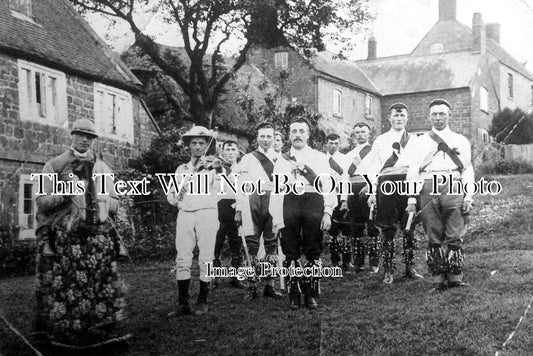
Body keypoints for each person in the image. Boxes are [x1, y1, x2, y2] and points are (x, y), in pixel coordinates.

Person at [34, 118, 129, 349]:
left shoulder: (103, 167)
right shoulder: (55, 165)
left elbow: (115, 201)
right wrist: (67, 193)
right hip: (68, 236)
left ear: (95, 140)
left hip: (98, 236)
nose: (85, 140)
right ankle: (70, 332)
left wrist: (106, 200)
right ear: (72, 135)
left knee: (101, 281)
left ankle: (103, 331)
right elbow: (41, 201)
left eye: (90, 136)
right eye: (81, 135)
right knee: (71, 284)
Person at [406, 99, 474, 291]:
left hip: (453, 186)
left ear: (449, 115)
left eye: (442, 113)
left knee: (454, 233)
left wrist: (468, 197)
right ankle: (437, 280)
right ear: (429, 116)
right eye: (434, 114)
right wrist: (412, 198)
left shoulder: (460, 140)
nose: (437, 117)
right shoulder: (419, 141)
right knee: (433, 234)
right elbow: (413, 171)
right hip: (427, 186)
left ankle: (455, 278)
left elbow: (467, 170)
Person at [270, 117, 336, 309]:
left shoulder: (320, 157)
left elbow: (328, 187)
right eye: (294, 131)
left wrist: (328, 212)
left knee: (313, 250)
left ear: (308, 134)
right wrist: (276, 218)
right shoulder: (281, 160)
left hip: (312, 200)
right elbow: (276, 190)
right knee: (290, 250)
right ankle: (294, 293)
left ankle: (310, 293)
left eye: (301, 131)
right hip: (289, 201)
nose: (298, 135)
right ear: (289, 135)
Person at [361, 103, 424, 284]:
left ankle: (409, 268)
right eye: (395, 116)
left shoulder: (415, 140)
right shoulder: (380, 140)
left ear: (407, 118)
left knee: (409, 227)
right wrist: (372, 191)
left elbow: (418, 167)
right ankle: (388, 270)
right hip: (386, 185)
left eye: (402, 115)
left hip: (408, 184)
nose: (398, 119)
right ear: (389, 118)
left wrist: (415, 191)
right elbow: (373, 168)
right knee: (387, 229)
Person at [167, 126, 220, 317]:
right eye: (194, 143)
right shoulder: (181, 169)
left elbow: (223, 189)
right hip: (186, 214)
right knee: (183, 257)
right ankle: (183, 303)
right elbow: (171, 198)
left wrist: (217, 169)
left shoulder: (213, 167)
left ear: (207, 145)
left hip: (207, 213)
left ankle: (203, 300)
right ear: (189, 146)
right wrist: (178, 195)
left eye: (201, 143)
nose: (198, 147)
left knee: (206, 257)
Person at [235, 122, 283, 300]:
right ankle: (252, 286)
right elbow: (240, 186)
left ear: (273, 138)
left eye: (268, 136)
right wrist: (238, 210)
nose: (265, 139)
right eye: (262, 136)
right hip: (251, 201)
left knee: (271, 244)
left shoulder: (280, 159)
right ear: (257, 137)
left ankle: (269, 285)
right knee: (251, 244)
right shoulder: (247, 158)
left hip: (273, 201)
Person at [345, 122, 381, 273]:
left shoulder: (374, 151)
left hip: (368, 188)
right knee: (355, 227)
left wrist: (371, 187)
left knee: (372, 225)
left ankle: (374, 263)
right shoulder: (348, 154)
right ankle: (359, 263)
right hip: (352, 189)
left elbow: (377, 171)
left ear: (369, 134)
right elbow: (345, 175)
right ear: (354, 135)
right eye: (357, 132)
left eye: (363, 132)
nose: (360, 134)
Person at [213, 140, 245, 289]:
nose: (231, 152)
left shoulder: (242, 168)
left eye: (233, 149)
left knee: (236, 242)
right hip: (219, 207)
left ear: (238, 152)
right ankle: (214, 277)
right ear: (223, 152)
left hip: (237, 208)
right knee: (217, 241)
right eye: (228, 149)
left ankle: (235, 277)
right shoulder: (216, 168)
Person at [324, 132, 352, 271]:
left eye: (336, 143)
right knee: (333, 231)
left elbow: (345, 179)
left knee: (346, 230)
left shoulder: (344, 159)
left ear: (339, 144)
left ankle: (347, 262)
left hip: (341, 195)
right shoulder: (321, 159)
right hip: (328, 196)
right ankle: (335, 261)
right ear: (326, 144)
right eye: (331, 143)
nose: (334, 146)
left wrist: (344, 199)